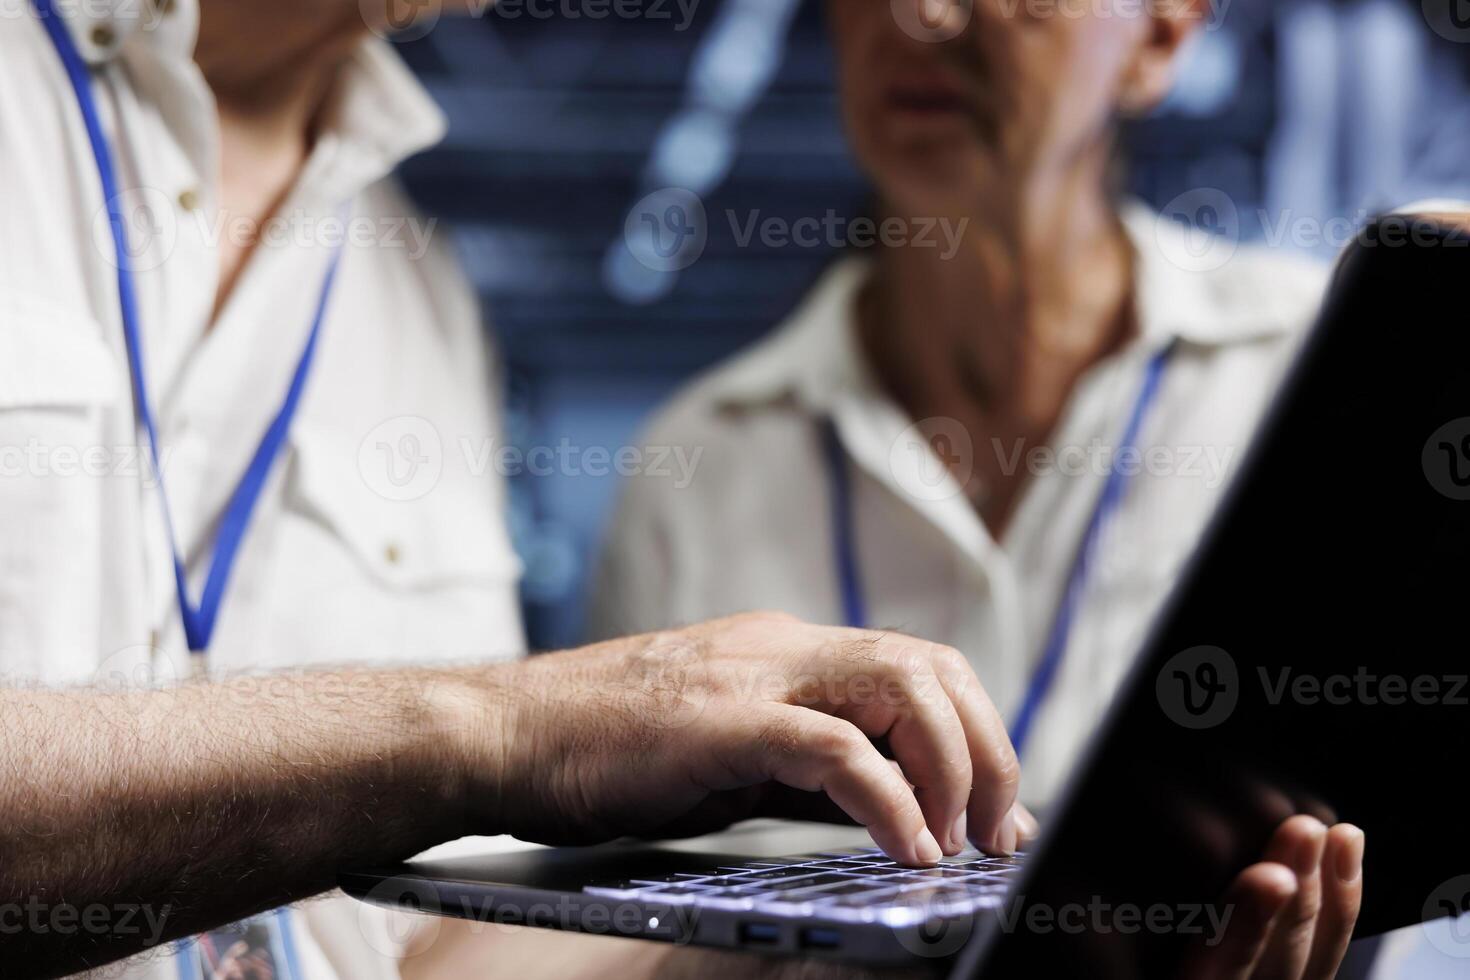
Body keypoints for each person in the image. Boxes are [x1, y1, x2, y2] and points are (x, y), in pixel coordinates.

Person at [0, 1, 1360, 978]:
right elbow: (490, 746)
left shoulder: (413, 300)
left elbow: (420, 954)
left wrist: (771, 953)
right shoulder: (688, 458)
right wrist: (512, 726)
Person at [592, 0, 1330, 808]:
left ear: (1159, 33)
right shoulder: (697, 472)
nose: (923, 16)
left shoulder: (1318, 372)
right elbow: (625, 898)